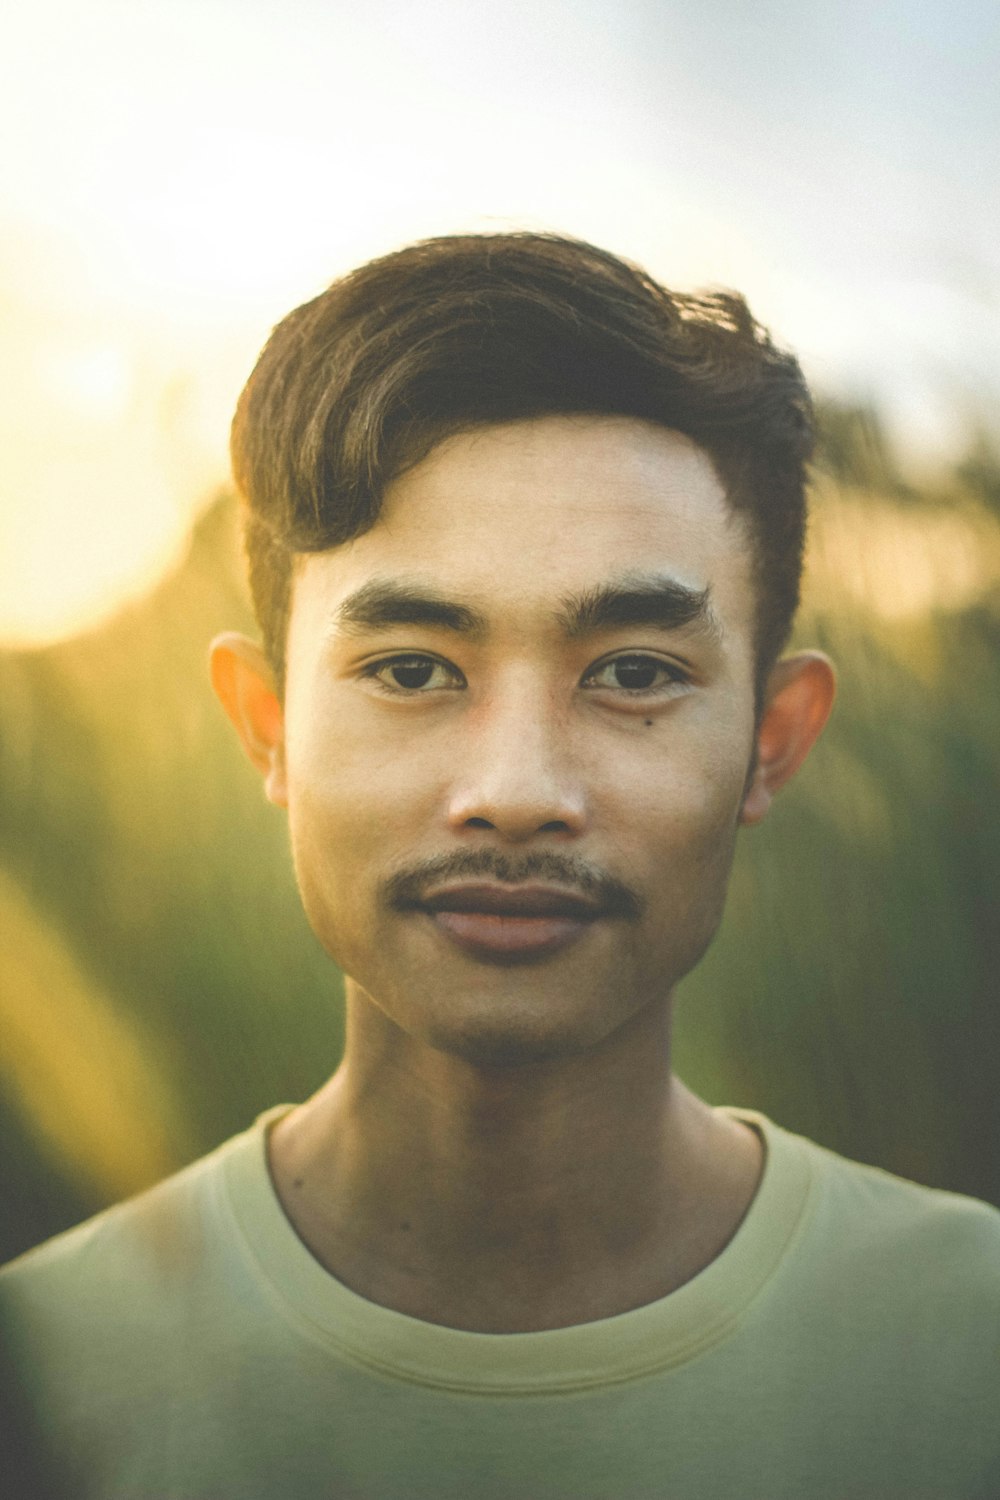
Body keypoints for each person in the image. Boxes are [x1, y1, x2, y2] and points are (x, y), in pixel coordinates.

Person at [1, 232, 997, 1500]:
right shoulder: (38, 1377)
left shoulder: (969, 1349)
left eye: (634, 673)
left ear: (770, 740)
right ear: (267, 727)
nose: (517, 793)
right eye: (411, 669)